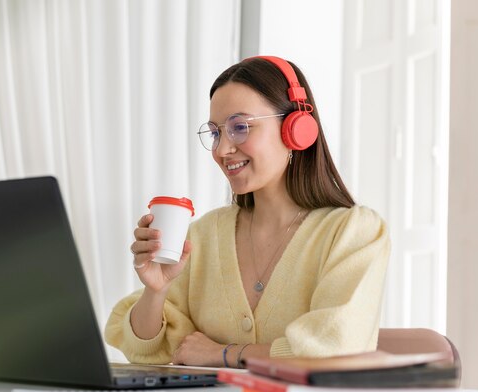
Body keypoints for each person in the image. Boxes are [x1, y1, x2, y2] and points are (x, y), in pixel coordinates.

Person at [105, 56, 391, 368]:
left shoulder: (353, 233)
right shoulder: (204, 235)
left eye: (240, 127)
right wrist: (155, 289)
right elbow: (145, 351)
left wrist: (223, 353)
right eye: (215, 133)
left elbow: (334, 346)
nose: (222, 150)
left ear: (296, 129)